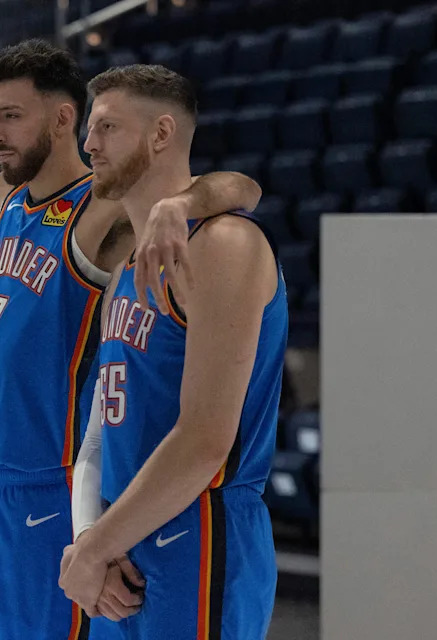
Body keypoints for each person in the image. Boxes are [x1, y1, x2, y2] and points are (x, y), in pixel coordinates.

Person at [0, 40, 262, 640]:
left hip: (45, 476)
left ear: (61, 119)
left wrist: (178, 205)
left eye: (11, 116)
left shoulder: (101, 206)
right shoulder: (7, 202)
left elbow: (241, 187)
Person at [59, 64, 288, 640]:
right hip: (119, 548)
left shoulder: (224, 243)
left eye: (107, 127)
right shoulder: (120, 278)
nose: (89, 144)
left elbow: (206, 439)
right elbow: (95, 437)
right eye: (90, 128)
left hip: (200, 535)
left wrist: (96, 549)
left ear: (161, 134)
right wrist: (91, 542)